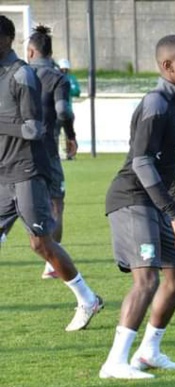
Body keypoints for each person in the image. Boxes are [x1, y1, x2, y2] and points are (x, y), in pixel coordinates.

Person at [99, 34, 175, 380]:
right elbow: (142, 164)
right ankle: (115, 362)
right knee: (146, 280)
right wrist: (172, 212)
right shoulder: (156, 104)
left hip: (152, 199)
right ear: (167, 66)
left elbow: (163, 167)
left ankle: (149, 351)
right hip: (130, 199)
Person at [0, 15, 102, 331]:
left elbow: (33, 128)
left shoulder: (23, 76)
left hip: (28, 171)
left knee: (41, 244)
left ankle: (87, 299)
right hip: (4, 172)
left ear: (6, 39)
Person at [25, 25, 76, 280]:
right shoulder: (58, 78)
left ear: (30, 51)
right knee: (56, 204)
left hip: (15, 153)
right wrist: (71, 135)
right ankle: (51, 264)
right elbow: (64, 112)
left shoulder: (16, 74)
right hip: (47, 152)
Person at [56, 58, 79, 160]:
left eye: (66, 69)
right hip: (60, 110)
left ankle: (69, 154)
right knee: (58, 134)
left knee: (68, 133)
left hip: (67, 110)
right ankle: (58, 154)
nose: (64, 71)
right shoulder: (58, 78)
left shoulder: (70, 79)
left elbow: (77, 91)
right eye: (63, 69)